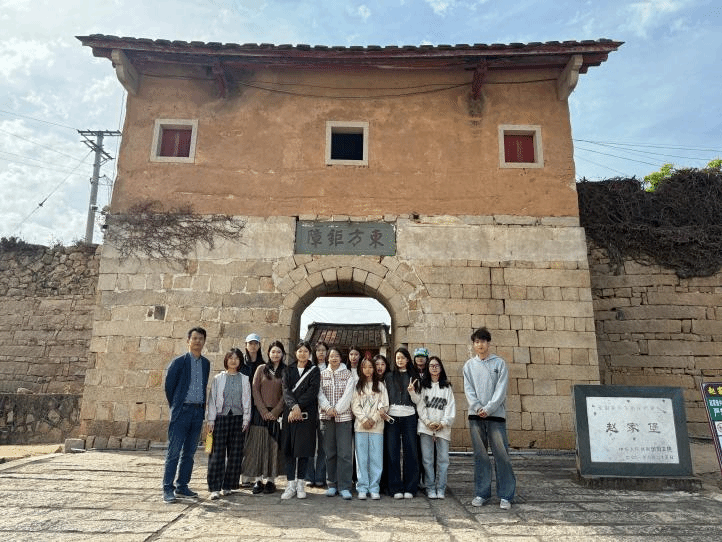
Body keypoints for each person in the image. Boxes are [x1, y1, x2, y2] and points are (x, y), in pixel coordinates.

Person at [463, 327, 516, 510]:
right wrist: (478, 407)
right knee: (480, 456)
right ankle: (481, 493)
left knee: (502, 456)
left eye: (483, 341)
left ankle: (506, 495)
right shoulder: (469, 366)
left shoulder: (499, 364)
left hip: (496, 416)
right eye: (477, 341)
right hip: (475, 416)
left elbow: (501, 390)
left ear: (489, 343)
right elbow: (468, 389)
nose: (480, 345)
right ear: (473, 344)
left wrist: (489, 408)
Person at [162, 327, 211, 503]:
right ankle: (168, 489)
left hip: (197, 412)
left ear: (204, 341)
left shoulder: (206, 364)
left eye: (201, 338)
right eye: (194, 338)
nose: (197, 341)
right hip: (182, 411)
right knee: (174, 452)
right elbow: (169, 387)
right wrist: (177, 406)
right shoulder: (178, 362)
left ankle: (182, 486)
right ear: (188, 341)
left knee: (189, 452)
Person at [206, 349, 251, 500]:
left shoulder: (244, 379)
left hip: (238, 418)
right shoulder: (218, 378)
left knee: (235, 454)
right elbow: (212, 400)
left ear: (240, 361)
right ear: (226, 360)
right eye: (230, 358)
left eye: (236, 358)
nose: (233, 361)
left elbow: (247, 400)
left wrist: (246, 419)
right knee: (217, 453)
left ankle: (228, 485)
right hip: (220, 418)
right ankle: (215, 488)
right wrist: (211, 420)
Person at [243, 340, 286, 495]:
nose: (275, 354)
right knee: (258, 447)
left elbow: (286, 394)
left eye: (278, 352)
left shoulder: (286, 371)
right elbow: (255, 390)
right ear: (268, 353)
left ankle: (271, 481)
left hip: (276, 414)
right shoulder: (261, 369)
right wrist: (262, 410)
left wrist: (275, 412)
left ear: (283, 354)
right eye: (273, 351)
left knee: (272, 447)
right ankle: (258, 480)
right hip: (259, 413)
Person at [280, 340, 321, 500]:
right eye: (300, 351)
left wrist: (298, 406)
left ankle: (301, 484)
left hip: (306, 414)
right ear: (295, 353)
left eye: (305, 351)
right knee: (289, 450)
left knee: (303, 450)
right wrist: (293, 406)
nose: (302, 354)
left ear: (309, 353)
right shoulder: (287, 370)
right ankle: (290, 484)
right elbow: (285, 390)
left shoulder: (314, 370)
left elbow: (312, 391)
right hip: (290, 414)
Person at [412, 356, 455, 499]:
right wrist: (427, 422)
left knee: (443, 460)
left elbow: (450, 407)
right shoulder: (423, 386)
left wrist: (443, 423)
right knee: (427, 460)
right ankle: (430, 488)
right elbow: (420, 405)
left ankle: (441, 488)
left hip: (443, 428)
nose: (434, 368)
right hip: (426, 428)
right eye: (431, 365)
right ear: (428, 368)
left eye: (437, 365)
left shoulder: (447, 387)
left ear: (441, 368)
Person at [318, 346, 355, 499]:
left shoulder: (348, 374)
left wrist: (337, 409)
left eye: (337, 356)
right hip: (326, 418)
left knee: (345, 454)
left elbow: (349, 394)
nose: (334, 358)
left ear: (341, 358)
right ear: (327, 358)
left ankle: (345, 486)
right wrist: (328, 408)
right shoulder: (322, 374)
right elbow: (319, 393)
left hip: (343, 418)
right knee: (330, 453)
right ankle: (332, 484)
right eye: (331, 355)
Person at [383, 347, 421, 499]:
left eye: (402, 358)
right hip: (392, 417)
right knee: (392, 451)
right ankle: (395, 487)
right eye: (397, 358)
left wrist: (412, 391)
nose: (400, 360)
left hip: (409, 416)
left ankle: (410, 487)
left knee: (410, 451)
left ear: (407, 359)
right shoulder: (388, 376)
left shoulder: (414, 376)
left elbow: (418, 401)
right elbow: (384, 397)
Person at [351, 358, 389, 500]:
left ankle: (374, 487)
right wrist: (364, 419)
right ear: (361, 369)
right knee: (361, 459)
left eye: (370, 367)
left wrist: (373, 419)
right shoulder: (357, 385)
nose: (368, 370)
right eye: (365, 367)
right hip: (360, 427)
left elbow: (385, 405)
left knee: (376, 459)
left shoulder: (380, 386)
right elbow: (354, 405)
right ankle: (362, 487)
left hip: (376, 427)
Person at [240, 333, 264, 487]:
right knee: (241, 442)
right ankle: (242, 476)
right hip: (241, 407)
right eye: (250, 343)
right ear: (246, 345)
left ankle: (252, 476)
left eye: (255, 343)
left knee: (254, 442)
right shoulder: (240, 364)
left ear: (259, 345)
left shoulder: (263, 365)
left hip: (257, 408)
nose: (253, 346)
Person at [306, 342, 328, 488]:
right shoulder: (309, 368)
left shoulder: (330, 368)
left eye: (323, 350)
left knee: (323, 445)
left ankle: (320, 476)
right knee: (309, 443)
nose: (321, 353)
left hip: (325, 410)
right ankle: (309, 476)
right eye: (318, 350)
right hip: (310, 408)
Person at [373, 354, 391, 495]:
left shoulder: (390, 379)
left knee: (387, 452)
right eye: (377, 364)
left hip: (388, 420)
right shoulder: (368, 380)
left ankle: (385, 482)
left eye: (382, 364)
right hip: (372, 421)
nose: (380, 367)